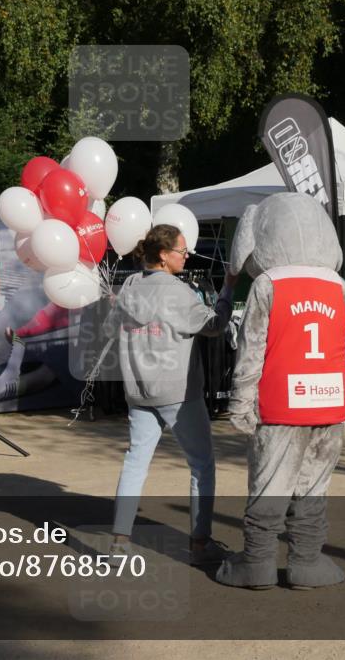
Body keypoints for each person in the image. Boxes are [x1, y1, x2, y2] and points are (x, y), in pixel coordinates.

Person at [215, 193, 345, 590]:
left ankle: (258, 563)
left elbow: (250, 352)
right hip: (328, 406)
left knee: (270, 487)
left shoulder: (267, 284)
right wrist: (331, 369)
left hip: (279, 406)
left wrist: (241, 403)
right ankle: (306, 561)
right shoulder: (337, 285)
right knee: (313, 488)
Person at [106, 224, 237, 565]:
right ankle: (200, 544)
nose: (187, 255)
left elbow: (111, 327)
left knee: (135, 463)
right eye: (182, 250)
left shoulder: (130, 286)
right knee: (202, 465)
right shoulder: (178, 292)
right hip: (179, 391)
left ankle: (120, 543)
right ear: (164, 255)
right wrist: (227, 289)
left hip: (139, 390)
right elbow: (215, 325)